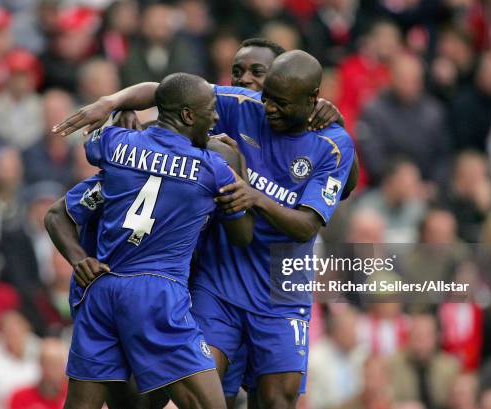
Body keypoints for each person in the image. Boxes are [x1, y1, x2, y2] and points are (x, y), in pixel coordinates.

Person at [53, 50, 356, 409]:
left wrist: (254, 196)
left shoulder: (332, 144)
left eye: (277, 98)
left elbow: (307, 226)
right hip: (217, 279)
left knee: (277, 399)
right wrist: (113, 100)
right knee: (205, 392)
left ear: (312, 99)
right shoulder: (237, 118)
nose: (266, 104)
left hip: (280, 286)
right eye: (265, 94)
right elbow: (166, 91)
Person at [48, 73, 254, 409]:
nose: (216, 119)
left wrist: (115, 108)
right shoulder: (212, 168)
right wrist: (238, 167)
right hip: (157, 293)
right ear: (188, 116)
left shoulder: (115, 145)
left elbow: (63, 203)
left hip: (100, 288)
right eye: (210, 111)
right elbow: (243, 235)